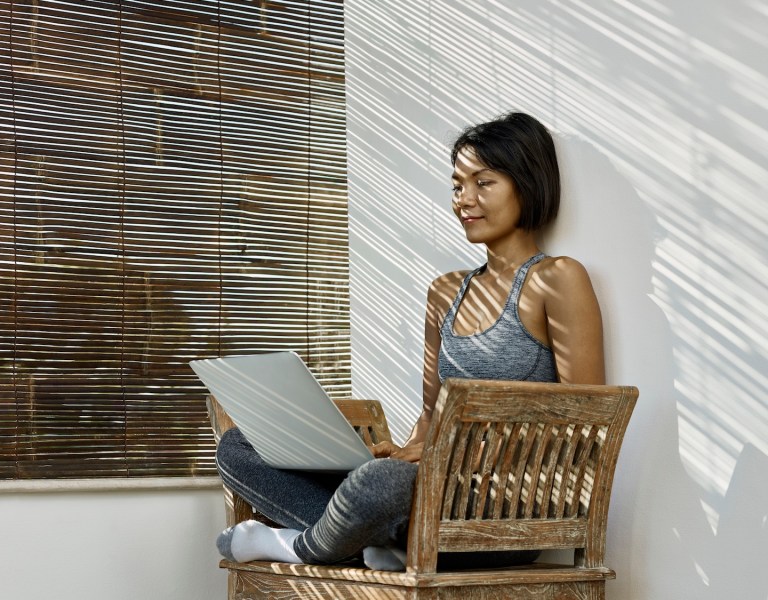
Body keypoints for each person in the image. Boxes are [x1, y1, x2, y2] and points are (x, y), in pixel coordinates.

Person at [215, 111, 605, 571]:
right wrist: (405, 451)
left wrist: (442, 455)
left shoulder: (557, 279)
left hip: (501, 511)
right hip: (428, 491)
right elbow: (430, 415)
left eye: (484, 183)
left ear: (527, 181)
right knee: (240, 446)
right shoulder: (445, 291)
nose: (465, 200)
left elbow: (585, 421)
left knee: (381, 486)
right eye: (458, 185)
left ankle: (296, 546)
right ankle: (378, 544)